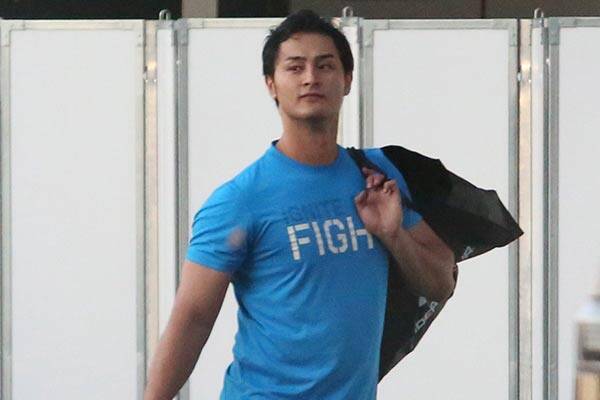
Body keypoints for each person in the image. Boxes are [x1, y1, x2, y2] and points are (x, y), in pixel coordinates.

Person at [144, 9, 456, 400]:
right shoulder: (240, 200)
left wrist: (393, 234)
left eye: (325, 65)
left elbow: (440, 283)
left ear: (347, 80)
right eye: (295, 67)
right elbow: (192, 318)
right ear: (271, 84)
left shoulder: (377, 177)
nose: (311, 77)